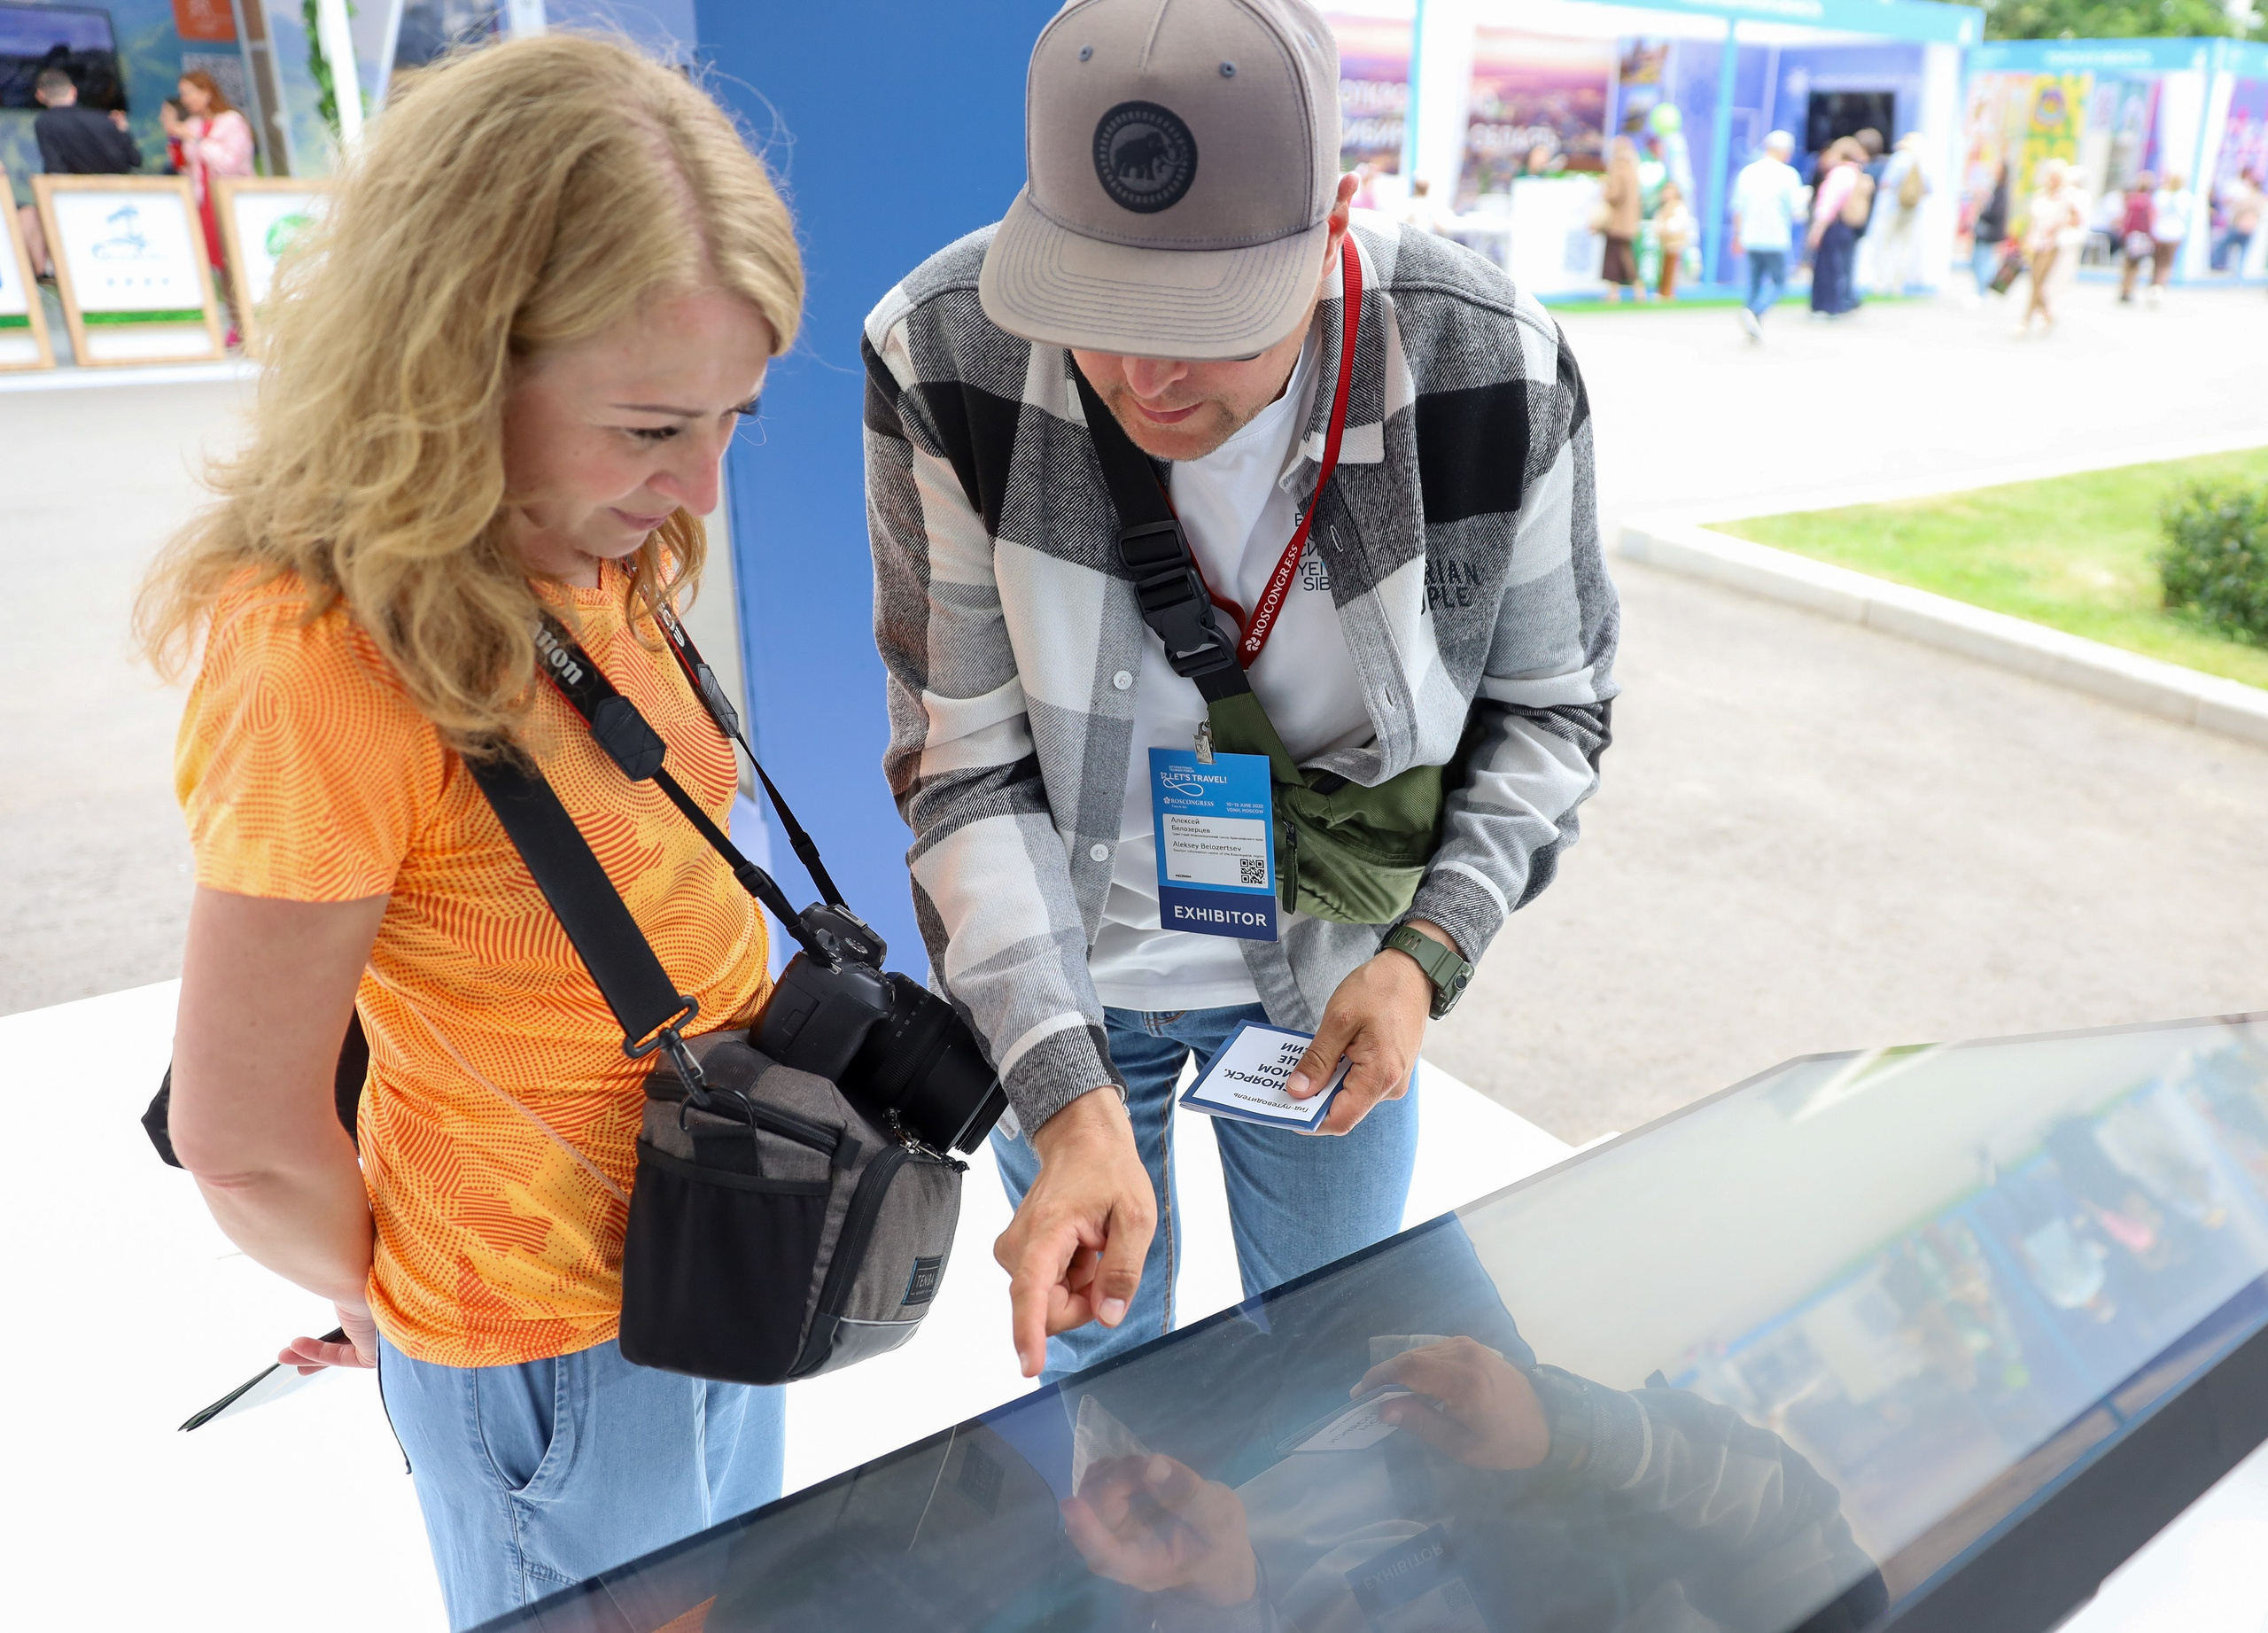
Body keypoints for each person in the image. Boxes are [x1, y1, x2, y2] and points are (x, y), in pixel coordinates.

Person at [136, 35, 803, 1629]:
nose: (704, 478)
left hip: (718, 1239)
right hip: (546, 1342)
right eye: (651, 424)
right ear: (453, 365)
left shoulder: (582, 531)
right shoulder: (322, 657)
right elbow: (241, 1134)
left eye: (731, 414)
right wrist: (406, 1303)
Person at [863, 0, 1617, 1383]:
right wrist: (1062, 1088)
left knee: (1344, 1364)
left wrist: (1428, 949)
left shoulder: (1487, 364)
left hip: (1339, 977)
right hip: (1067, 975)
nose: (1147, 374)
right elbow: (961, 762)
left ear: (1334, 218)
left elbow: (1553, 704)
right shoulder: (946, 352)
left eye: (1206, 320)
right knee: (1116, 1398)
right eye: (1096, 307)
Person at [17, 65, 140, 278]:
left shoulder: (45, 122)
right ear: (73, 91)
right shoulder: (104, 119)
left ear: (40, 95)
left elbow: (55, 166)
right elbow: (135, 161)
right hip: (117, 199)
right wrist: (124, 133)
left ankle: (42, 272)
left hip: (73, 201)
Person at [161, 70, 255, 291]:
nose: (185, 100)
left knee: (238, 261)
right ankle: (235, 320)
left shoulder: (232, 122)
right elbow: (187, 166)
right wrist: (176, 140)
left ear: (206, 92)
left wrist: (197, 141)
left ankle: (249, 316)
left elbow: (228, 164)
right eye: (183, 94)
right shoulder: (193, 124)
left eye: (189, 93)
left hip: (230, 201)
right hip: (204, 203)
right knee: (220, 266)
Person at [1731, 129, 1805, 340]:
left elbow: (1738, 208)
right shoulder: (1789, 175)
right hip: (1776, 238)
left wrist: (1738, 235)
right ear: (1785, 151)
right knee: (1780, 282)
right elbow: (1797, 211)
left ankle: (1752, 323)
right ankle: (1755, 311)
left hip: (1751, 236)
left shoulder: (1748, 172)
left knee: (1754, 282)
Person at [2018, 158, 2084, 336]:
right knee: (2034, 280)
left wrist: (2058, 225)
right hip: (2036, 241)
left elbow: (2077, 220)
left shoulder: (2066, 198)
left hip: (2051, 244)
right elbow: (2033, 221)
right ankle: (2047, 315)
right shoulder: (2040, 195)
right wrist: (2026, 240)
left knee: (2038, 281)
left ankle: (2026, 320)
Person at [1806, 137, 1865, 317]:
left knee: (1827, 268)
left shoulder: (1839, 174)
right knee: (1841, 267)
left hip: (1833, 226)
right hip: (1848, 227)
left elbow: (1828, 204)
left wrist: (1817, 229)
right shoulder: (1857, 173)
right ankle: (1841, 303)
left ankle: (1827, 307)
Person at [1869, 130, 1931, 295]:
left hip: (1893, 208)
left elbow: (1886, 183)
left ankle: (1881, 282)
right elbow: (1929, 189)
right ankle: (1898, 284)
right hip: (1913, 210)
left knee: (1886, 244)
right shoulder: (1924, 162)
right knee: (1904, 247)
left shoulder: (1899, 159)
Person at [1599, 134, 1644, 299]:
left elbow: (1615, 195)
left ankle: (1617, 292)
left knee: (1616, 257)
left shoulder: (1618, 168)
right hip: (1629, 222)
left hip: (1617, 221)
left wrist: (1605, 189)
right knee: (1624, 255)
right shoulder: (1633, 169)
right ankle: (1632, 289)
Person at [2149, 171, 2194, 306]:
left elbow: (2153, 213)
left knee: (2157, 261)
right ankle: (2160, 288)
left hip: (2159, 231)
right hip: (2175, 233)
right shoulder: (2185, 196)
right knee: (2167, 263)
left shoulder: (2161, 194)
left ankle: (2154, 286)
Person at [1971, 157, 2011, 300]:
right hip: (1985, 233)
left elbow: (1996, 213)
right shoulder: (1994, 188)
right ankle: (1982, 291)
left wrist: (1983, 208)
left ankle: (1982, 293)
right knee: (1977, 262)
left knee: (1984, 264)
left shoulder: (2002, 191)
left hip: (1991, 234)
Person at [2117, 172, 2156, 305]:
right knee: (2135, 265)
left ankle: (2124, 289)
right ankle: (2129, 289)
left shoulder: (2131, 198)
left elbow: (2124, 218)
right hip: (2141, 235)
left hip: (2130, 235)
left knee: (2128, 263)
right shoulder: (2148, 201)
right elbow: (2151, 220)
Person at [1653, 176, 1694, 299]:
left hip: (1674, 241)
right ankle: (1663, 291)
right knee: (1664, 267)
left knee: (1671, 267)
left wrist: (1667, 227)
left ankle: (1668, 292)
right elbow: (1659, 220)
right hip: (1665, 242)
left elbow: (1680, 222)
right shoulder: (1665, 207)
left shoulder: (1678, 206)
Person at [2214, 169, 2261, 273]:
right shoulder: (2242, 189)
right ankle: (2236, 270)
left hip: (2242, 224)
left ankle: (2234, 269)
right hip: (2241, 224)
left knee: (2228, 245)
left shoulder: (2248, 193)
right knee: (2231, 246)